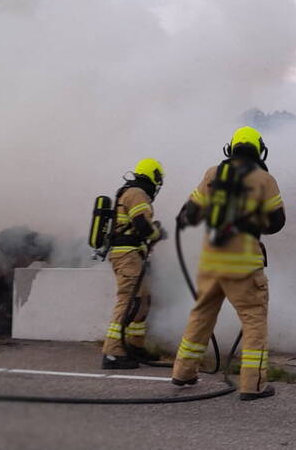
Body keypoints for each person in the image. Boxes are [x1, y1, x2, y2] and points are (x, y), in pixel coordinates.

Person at [171, 126, 285, 400]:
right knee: (254, 319)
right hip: (244, 263)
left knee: (202, 314)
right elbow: (277, 222)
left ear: (230, 148)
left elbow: (190, 213)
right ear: (259, 150)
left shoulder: (213, 174)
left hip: (212, 261)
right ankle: (253, 385)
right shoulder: (264, 179)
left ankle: (183, 373)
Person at [100, 158, 167, 370]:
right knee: (128, 302)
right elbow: (142, 226)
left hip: (132, 255)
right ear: (153, 177)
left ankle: (134, 346)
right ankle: (112, 352)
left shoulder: (131, 192)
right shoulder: (137, 193)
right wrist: (157, 232)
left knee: (143, 300)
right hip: (127, 256)